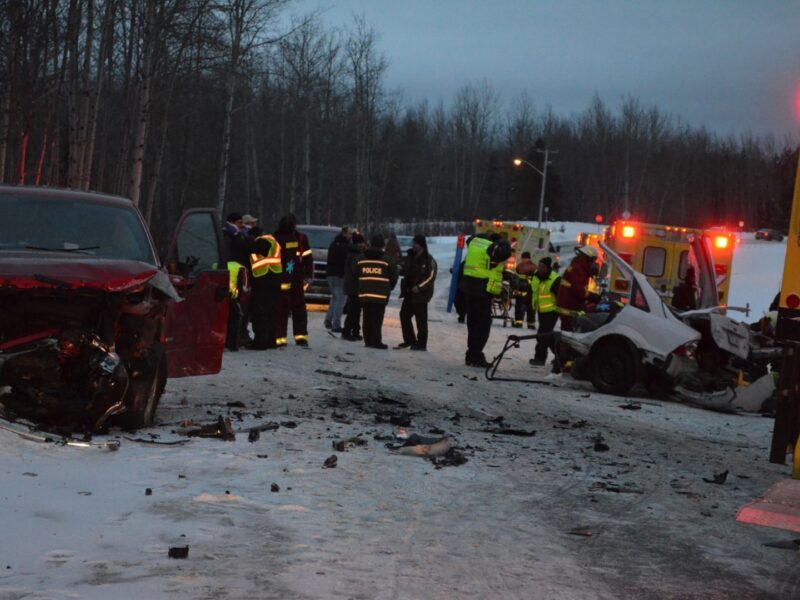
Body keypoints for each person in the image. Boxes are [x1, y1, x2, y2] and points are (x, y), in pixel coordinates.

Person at [459, 233, 512, 368]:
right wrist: (503, 241)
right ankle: (476, 356)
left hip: (469, 289)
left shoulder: (474, 243)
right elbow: (505, 253)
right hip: (482, 290)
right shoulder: (490, 247)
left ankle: (471, 354)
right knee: (482, 325)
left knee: (472, 323)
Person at [274, 214, 314, 347]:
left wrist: (308, 274)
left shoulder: (276, 238)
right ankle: (298, 337)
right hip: (293, 279)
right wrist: (308, 275)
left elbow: (307, 258)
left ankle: (281, 338)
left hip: (284, 279)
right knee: (297, 309)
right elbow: (308, 259)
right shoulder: (298, 238)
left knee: (282, 309)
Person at [356, 235, 398, 349]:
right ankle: (376, 341)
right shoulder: (388, 260)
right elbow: (394, 276)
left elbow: (354, 272)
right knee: (377, 319)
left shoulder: (360, 258)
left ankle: (368, 341)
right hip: (380, 294)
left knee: (366, 317)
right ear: (382, 246)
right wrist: (389, 287)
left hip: (364, 293)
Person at [397, 234, 437, 351]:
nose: (413, 246)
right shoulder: (410, 257)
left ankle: (421, 344)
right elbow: (406, 271)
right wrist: (400, 270)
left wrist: (419, 287)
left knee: (421, 320)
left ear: (422, 245)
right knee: (404, 315)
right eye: (413, 243)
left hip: (421, 295)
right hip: (409, 293)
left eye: (416, 244)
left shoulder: (429, 260)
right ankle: (409, 340)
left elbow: (431, 277)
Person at [247, 233, 282, 350]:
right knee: (271, 311)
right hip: (274, 278)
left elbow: (253, 249)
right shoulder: (273, 242)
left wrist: (246, 241)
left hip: (263, 279)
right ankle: (271, 341)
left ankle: (260, 342)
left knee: (260, 311)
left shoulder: (261, 241)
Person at [556, 245, 600, 332]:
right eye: (592, 260)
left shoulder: (578, 266)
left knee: (567, 331)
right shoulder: (578, 269)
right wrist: (591, 296)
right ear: (586, 258)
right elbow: (579, 290)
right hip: (569, 308)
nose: (593, 263)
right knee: (568, 334)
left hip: (568, 306)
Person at [529, 257, 561, 367]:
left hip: (552, 311)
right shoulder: (537, 276)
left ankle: (540, 358)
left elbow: (559, 297)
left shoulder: (555, 279)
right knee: (548, 336)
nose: (540, 268)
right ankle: (560, 357)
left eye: (543, 266)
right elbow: (535, 291)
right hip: (541, 310)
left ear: (548, 268)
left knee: (542, 335)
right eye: (539, 265)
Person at [325, 226, 353, 332]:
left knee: (335, 298)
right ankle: (336, 325)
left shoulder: (333, 244)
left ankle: (328, 319)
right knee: (341, 300)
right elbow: (345, 262)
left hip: (330, 275)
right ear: (344, 233)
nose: (351, 236)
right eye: (350, 234)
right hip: (340, 275)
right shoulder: (345, 246)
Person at [342, 233, 367, 341]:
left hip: (354, 285)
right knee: (353, 310)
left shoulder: (354, 253)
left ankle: (355, 331)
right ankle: (347, 332)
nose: (363, 245)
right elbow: (355, 271)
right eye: (361, 243)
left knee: (356, 310)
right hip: (354, 286)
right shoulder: (354, 255)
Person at [513, 251, 536, 329]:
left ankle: (519, 323)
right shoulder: (534, 266)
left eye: (523, 258)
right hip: (530, 290)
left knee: (520, 306)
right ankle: (530, 324)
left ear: (526, 258)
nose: (522, 260)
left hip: (523, 290)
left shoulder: (520, 266)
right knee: (530, 307)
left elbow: (515, 278)